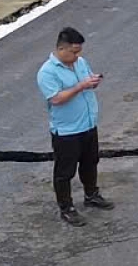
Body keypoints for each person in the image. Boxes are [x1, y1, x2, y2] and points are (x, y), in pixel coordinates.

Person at [36, 27, 113, 226]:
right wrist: (81, 86)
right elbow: (56, 99)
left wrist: (93, 81)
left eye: (79, 51)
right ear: (61, 49)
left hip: (88, 125)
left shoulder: (80, 63)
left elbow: (87, 81)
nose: (77, 55)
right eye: (74, 52)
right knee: (65, 172)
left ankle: (91, 194)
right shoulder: (47, 72)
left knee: (90, 162)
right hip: (67, 131)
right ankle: (66, 207)